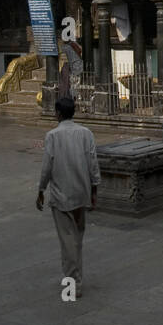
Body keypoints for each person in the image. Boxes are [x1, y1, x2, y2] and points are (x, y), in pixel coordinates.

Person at [36, 95, 100, 299]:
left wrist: (40, 189)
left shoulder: (53, 136)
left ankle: (72, 286)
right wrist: (94, 191)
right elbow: (93, 163)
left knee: (68, 243)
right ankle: (76, 278)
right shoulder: (86, 133)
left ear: (58, 113)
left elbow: (47, 167)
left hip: (61, 194)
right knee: (77, 239)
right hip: (81, 192)